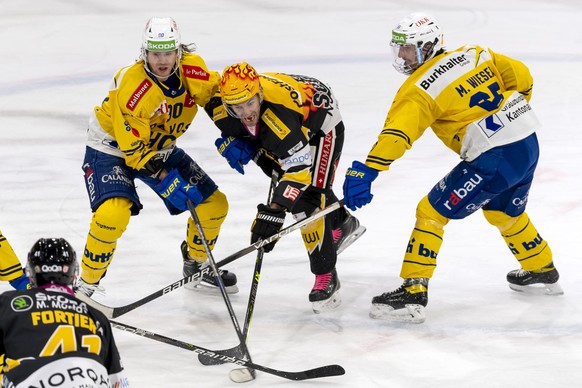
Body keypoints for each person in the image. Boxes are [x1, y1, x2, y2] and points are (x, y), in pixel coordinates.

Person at [342, 12, 562, 324]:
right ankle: (541, 267)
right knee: (503, 213)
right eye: (399, 49)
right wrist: (513, 115)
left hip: (493, 158)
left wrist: (369, 168)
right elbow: (522, 76)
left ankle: (413, 290)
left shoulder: (419, 88)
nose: (402, 56)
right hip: (527, 144)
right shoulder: (474, 53)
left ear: (429, 45)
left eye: (408, 49)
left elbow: (399, 133)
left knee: (430, 212)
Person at [78, 17, 237, 297]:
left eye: (167, 52)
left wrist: (238, 133)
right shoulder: (134, 86)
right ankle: (85, 285)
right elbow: (134, 151)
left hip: (159, 147)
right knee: (113, 212)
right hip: (112, 147)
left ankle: (197, 263)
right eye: (155, 53)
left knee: (214, 205)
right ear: (144, 53)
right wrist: (166, 179)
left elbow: (214, 98)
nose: (162, 60)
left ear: (178, 51)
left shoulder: (192, 69)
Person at [205, 62, 366, 313]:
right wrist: (237, 141)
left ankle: (325, 274)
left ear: (259, 95)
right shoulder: (220, 108)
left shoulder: (279, 119)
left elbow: (298, 173)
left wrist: (275, 210)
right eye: (237, 107)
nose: (246, 112)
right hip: (295, 108)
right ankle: (343, 222)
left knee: (308, 199)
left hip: (322, 125)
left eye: (250, 103)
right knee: (276, 171)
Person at [0, 238, 129, 387]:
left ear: (30, 273)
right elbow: (119, 383)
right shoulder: (97, 317)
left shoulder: (8, 304)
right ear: (73, 274)